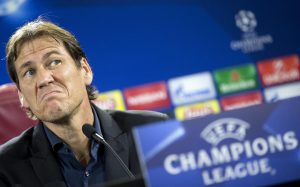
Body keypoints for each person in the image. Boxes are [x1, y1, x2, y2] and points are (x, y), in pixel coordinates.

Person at [0, 18, 168, 187]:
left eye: (54, 62)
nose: (44, 79)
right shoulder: (5, 168)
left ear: (85, 70)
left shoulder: (154, 130)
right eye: (29, 72)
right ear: (21, 95)